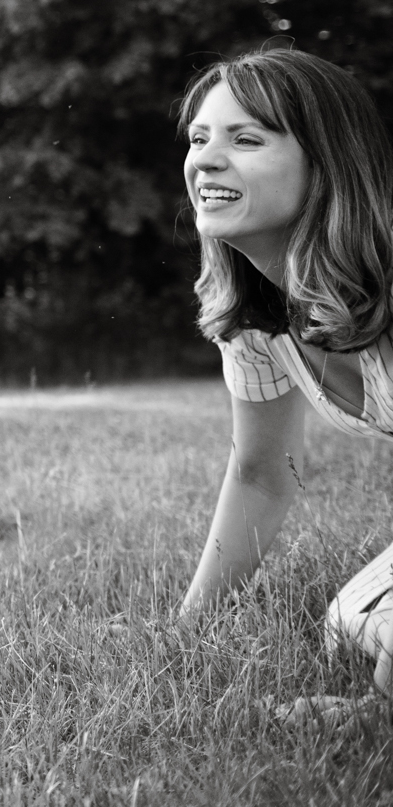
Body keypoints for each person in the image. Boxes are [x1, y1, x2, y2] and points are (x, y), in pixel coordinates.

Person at [176, 46, 393, 722]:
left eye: (246, 139)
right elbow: (264, 472)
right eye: (200, 138)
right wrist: (186, 631)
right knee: (349, 621)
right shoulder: (258, 318)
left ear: (328, 164)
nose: (206, 160)